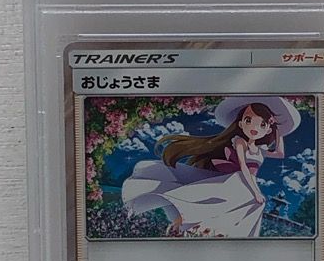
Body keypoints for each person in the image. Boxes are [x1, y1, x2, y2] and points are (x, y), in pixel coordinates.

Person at [122, 96, 301, 237]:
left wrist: (278, 130)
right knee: (214, 203)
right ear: (240, 123)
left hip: (247, 183)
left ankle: (219, 232)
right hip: (238, 180)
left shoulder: (260, 149)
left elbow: (280, 153)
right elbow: (243, 168)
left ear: (267, 129)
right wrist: (255, 192)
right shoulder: (240, 142)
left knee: (249, 208)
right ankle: (188, 224)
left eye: (262, 124)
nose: (254, 127)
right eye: (248, 120)